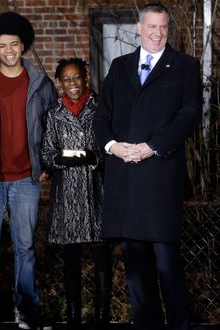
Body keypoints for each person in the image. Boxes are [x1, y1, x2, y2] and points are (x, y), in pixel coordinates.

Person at [93, 3, 202, 330]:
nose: (158, 34)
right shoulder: (119, 65)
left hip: (159, 179)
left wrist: (151, 146)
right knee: (136, 267)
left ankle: (179, 324)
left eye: (164, 27)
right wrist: (113, 146)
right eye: (152, 27)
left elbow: (189, 115)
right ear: (139, 29)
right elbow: (102, 117)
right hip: (123, 179)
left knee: (167, 264)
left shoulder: (184, 66)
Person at [0, 11, 56, 330]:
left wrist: (46, 163)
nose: (9, 50)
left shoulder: (41, 84)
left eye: (14, 44)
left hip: (26, 180)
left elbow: (51, 128)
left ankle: (27, 309)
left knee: (25, 248)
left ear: (23, 46)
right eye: (2, 45)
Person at [41, 58, 112, 330]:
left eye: (77, 78)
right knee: (70, 262)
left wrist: (93, 158)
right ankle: (73, 318)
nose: (73, 84)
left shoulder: (100, 109)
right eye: (66, 79)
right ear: (60, 83)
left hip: (96, 194)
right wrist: (67, 159)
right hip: (67, 196)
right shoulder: (54, 114)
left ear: (85, 78)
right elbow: (47, 153)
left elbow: (109, 149)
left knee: (101, 260)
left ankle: (102, 317)